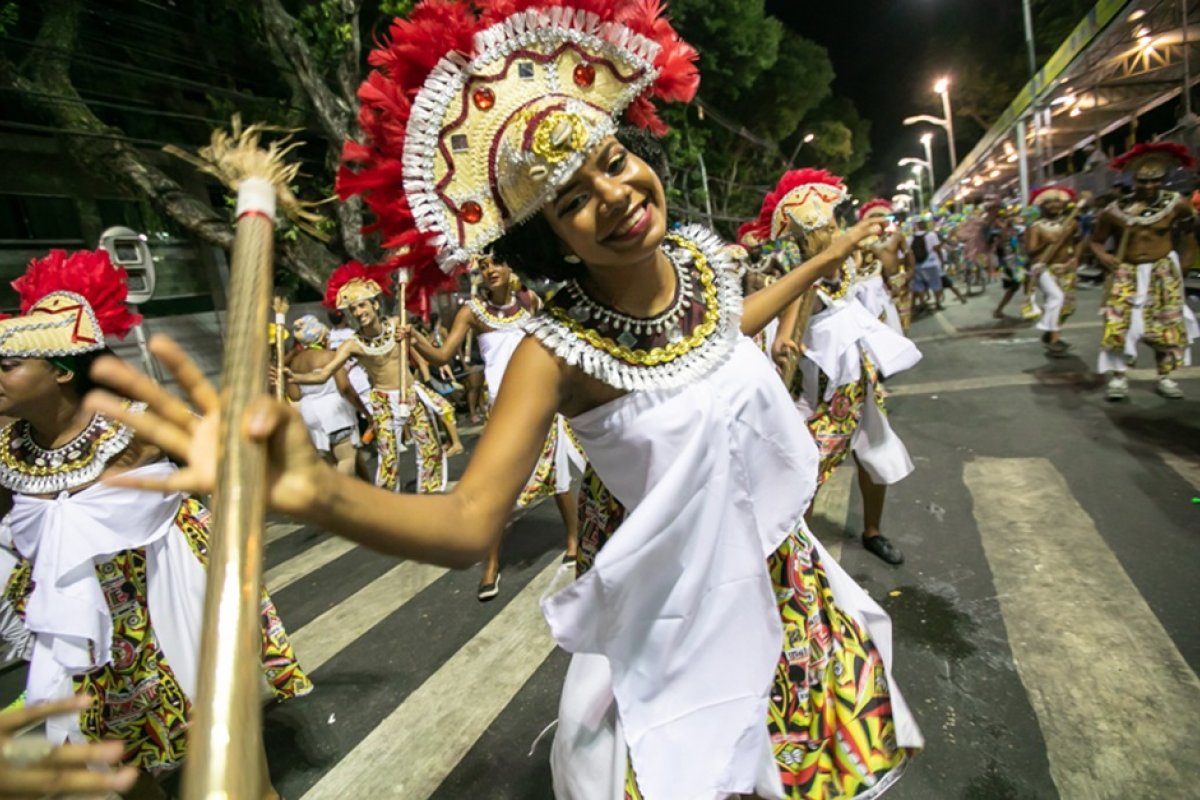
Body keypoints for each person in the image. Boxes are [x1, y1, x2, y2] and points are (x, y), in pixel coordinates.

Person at [91, 1, 922, 797]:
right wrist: (317, 492)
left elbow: (722, 335)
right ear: (549, 239)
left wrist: (826, 259)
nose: (616, 195)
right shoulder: (550, 353)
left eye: (611, 160)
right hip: (684, 622)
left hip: (791, 585)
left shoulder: (705, 268)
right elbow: (465, 524)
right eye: (573, 200)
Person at [0, 249, 310, 799]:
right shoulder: (8, 447)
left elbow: (231, 464)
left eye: (8, 365)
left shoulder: (134, 426)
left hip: (170, 590)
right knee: (109, 751)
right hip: (89, 621)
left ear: (61, 371)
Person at [756, 171, 922, 567]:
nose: (838, 229)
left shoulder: (847, 264)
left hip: (860, 381)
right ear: (808, 237)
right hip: (821, 395)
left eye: (834, 222)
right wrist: (782, 344)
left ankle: (873, 532)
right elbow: (787, 326)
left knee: (874, 455)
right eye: (828, 226)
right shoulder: (802, 278)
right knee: (806, 474)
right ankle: (801, 556)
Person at [408, 255, 584, 600]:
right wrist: (414, 337)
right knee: (498, 488)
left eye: (497, 263)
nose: (490, 271)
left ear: (510, 268)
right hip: (502, 410)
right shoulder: (471, 312)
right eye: (483, 266)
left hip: (542, 399)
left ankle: (574, 540)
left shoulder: (530, 301)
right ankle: (491, 564)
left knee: (559, 475)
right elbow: (443, 357)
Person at [288, 262, 450, 492]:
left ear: (374, 304)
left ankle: (431, 496)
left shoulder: (398, 325)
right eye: (352, 309)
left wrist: (413, 335)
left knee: (429, 449)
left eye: (362, 305)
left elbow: (435, 356)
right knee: (388, 459)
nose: (358, 313)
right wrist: (294, 377)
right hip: (382, 401)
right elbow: (325, 374)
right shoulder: (352, 344)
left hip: (411, 393)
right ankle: (388, 508)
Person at [1090, 142, 1199, 400]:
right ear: (1133, 179)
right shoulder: (1114, 211)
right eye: (1142, 181)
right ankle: (1118, 378)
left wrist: (1182, 265)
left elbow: (1190, 235)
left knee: (1165, 325)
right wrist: (1105, 257)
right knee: (1119, 325)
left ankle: (1165, 376)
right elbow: (1095, 241)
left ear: (1164, 180)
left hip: (1162, 271)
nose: (1149, 187)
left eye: (1155, 181)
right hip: (1126, 272)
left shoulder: (1177, 205)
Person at [287, 314, 370, 475]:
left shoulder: (294, 363)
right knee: (346, 459)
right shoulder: (330, 357)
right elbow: (345, 387)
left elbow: (295, 395)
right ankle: (341, 496)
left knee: (331, 463)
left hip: (310, 417)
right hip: (335, 416)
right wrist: (365, 411)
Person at [1025, 186, 1082, 357]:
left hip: (1065, 269)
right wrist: (1046, 242)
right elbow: (1030, 251)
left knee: (1066, 307)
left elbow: (1080, 241)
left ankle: (1050, 335)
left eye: (1056, 201)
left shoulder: (1071, 223)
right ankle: (1054, 339)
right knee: (1056, 297)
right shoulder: (1036, 227)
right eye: (1048, 202)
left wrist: (1075, 258)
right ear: (1041, 205)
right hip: (1043, 269)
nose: (1053, 205)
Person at [854, 199, 910, 334]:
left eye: (881, 218)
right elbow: (861, 268)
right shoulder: (863, 243)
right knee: (887, 326)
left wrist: (908, 276)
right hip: (878, 289)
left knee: (904, 324)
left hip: (899, 281)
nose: (878, 223)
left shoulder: (896, 236)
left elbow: (909, 258)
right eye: (873, 219)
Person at [909, 216, 946, 311]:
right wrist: (942, 261)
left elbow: (908, 254)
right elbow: (937, 249)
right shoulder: (931, 235)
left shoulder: (909, 238)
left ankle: (923, 303)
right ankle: (938, 303)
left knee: (919, 285)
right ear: (924, 225)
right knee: (936, 284)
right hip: (931, 264)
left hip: (917, 266)